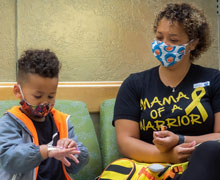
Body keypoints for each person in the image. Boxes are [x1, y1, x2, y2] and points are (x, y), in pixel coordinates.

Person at [113, 3, 220, 180]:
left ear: (193, 43)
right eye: (159, 37)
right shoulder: (134, 84)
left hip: (200, 166)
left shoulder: (214, 80)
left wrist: (180, 140)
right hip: (150, 167)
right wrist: (166, 156)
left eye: (173, 40)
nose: (164, 45)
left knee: (211, 150)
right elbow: (125, 142)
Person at [0, 49, 89, 180]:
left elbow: (75, 167)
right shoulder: (9, 123)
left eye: (51, 96)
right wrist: (45, 151)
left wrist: (73, 151)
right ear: (18, 91)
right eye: (38, 96)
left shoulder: (62, 121)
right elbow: (8, 161)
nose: (45, 103)